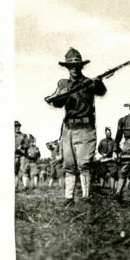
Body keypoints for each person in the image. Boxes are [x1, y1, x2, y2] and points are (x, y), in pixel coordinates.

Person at [45, 48, 107, 204]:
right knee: (69, 164)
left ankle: (86, 198)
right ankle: (68, 198)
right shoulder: (63, 84)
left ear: (81, 66)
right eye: (71, 66)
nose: (74, 69)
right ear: (67, 68)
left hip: (85, 129)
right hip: (68, 129)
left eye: (77, 66)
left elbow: (101, 91)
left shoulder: (89, 83)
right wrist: (56, 96)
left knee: (84, 164)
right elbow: (57, 102)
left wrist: (99, 82)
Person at [15, 121, 30, 187]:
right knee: (14, 171)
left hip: (22, 155)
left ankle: (25, 187)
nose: (17, 127)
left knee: (24, 170)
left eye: (18, 126)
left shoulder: (23, 135)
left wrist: (22, 146)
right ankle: (15, 186)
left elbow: (27, 144)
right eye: (16, 126)